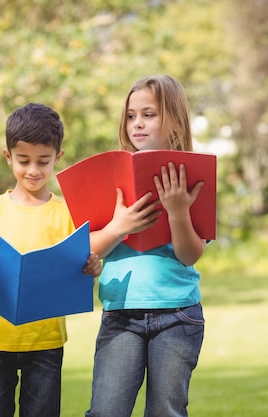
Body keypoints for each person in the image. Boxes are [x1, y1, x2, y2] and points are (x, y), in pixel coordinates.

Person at [0, 103, 102, 417]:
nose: (33, 170)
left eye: (43, 161)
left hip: (45, 340)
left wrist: (92, 266)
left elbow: (79, 267)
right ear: (8, 156)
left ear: (57, 157)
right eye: (23, 160)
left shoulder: (65, 214)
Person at [85, 75, 207, 417]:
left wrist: (178, 211)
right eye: (130, 115)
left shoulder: (193, 175)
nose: (137, 123)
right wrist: (119, 227)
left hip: (177, 314)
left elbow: (190, 254)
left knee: (165, 411)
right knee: (105, 411)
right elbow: (88, 248)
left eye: (149, 114)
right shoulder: (109, 176)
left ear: (175, 121)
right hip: (120, 314)